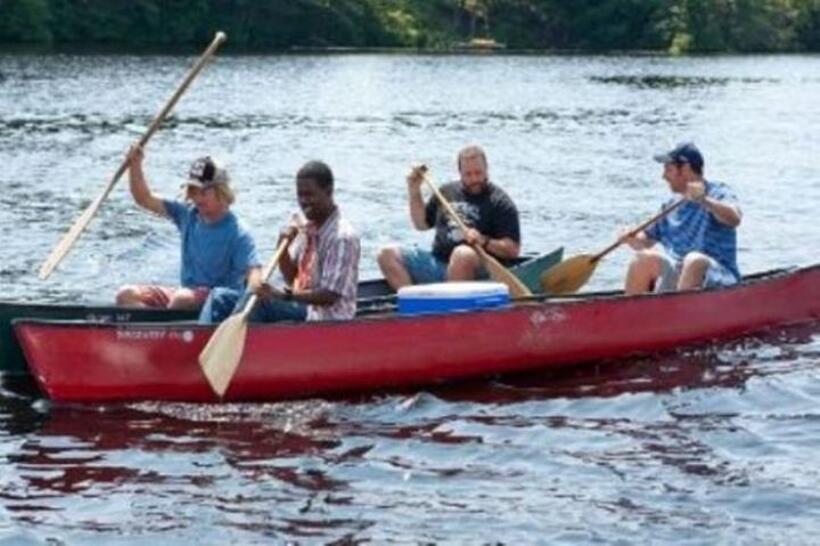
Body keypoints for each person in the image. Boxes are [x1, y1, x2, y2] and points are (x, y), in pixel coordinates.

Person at [199, 160, 360, 324]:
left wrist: (282, 295)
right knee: (220, 297)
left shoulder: (342, 237)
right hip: (301, 305)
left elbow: (330, 296)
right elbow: (292, 277)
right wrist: (282, 246)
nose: (304, 202)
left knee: (259, 303)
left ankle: (237, 344)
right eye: (300, 195)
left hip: (325, 318)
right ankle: (204, 342)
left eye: (309, 195)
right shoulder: (307, 227)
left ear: (328, 191)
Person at [115, 145, 260, 310]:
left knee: (181, 299)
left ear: (222, 191)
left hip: (220, 301)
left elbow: (254, 272)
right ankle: (151, 331)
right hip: (185, 295)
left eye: (203, 191)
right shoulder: (187, 213)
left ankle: (164, 329)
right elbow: (144, 198)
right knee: (125, 295)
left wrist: (254, 293)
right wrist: (135, 164)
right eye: (193, 190)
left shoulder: (238, 232)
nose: (197, 197)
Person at [377, 145, 521, 289]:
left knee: (462, 254)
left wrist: (483, 241)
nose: (474, 179)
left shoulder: (500, 202)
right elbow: (421, 224)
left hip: (477, 271)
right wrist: (414, 191)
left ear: (486, 170)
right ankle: (413, 302)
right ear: (460, 173)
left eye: (478, 173)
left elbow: (512, 250)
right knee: (386, 254)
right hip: (438, 263)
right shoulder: (447, 192)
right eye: (468, 174)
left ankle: (450, 305)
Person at [622, 142, 742, 295]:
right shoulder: (670, 205)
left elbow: (735, 218)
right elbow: (645, 240)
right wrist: (631, 238)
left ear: (685, 169)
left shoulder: (718, 192)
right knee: (642, 259)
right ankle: (634, 315)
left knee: (693, 261)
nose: (663, 176)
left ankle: (677, 314)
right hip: (680, 276)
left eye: (668, 169)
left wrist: (703, 200)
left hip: (720, 276)